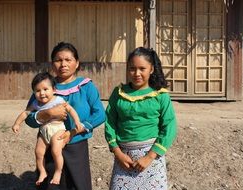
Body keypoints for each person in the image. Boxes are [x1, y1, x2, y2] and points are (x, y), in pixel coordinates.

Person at [25, 42, 106, 190]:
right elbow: (29, 118)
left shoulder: (86, 86)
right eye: (58, 60)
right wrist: (48, 113)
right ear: (52, 64)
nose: (63, 64)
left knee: (78, 185)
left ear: (77, 63)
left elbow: (100, 114)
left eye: (68, 60)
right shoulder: (44, 87)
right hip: (49, 145)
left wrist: (74, 132)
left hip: (77, 146)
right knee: (51, 185)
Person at [105, 47, 177, 190]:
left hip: (151, 158)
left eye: (142, 69)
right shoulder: (119, 93)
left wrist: (149, 157)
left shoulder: (160, 95)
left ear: (151, 69)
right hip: (124, 159)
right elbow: (110, 122)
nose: (137, 73)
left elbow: (169, 126)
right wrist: (118, 153)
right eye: (132, 68)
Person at [12, 72, 83, 185]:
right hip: (44, 131)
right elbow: (26, 113)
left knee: (56, 150)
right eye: (38, 90)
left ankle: (58, 172)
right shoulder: (36, 103)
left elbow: (70, 110)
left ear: (54, 89)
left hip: (57, 129)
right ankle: (42, 171)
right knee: (38, 152)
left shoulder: (58, 100)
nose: (42, 93)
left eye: (45, 89)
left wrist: (77, 121)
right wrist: (17, 123)